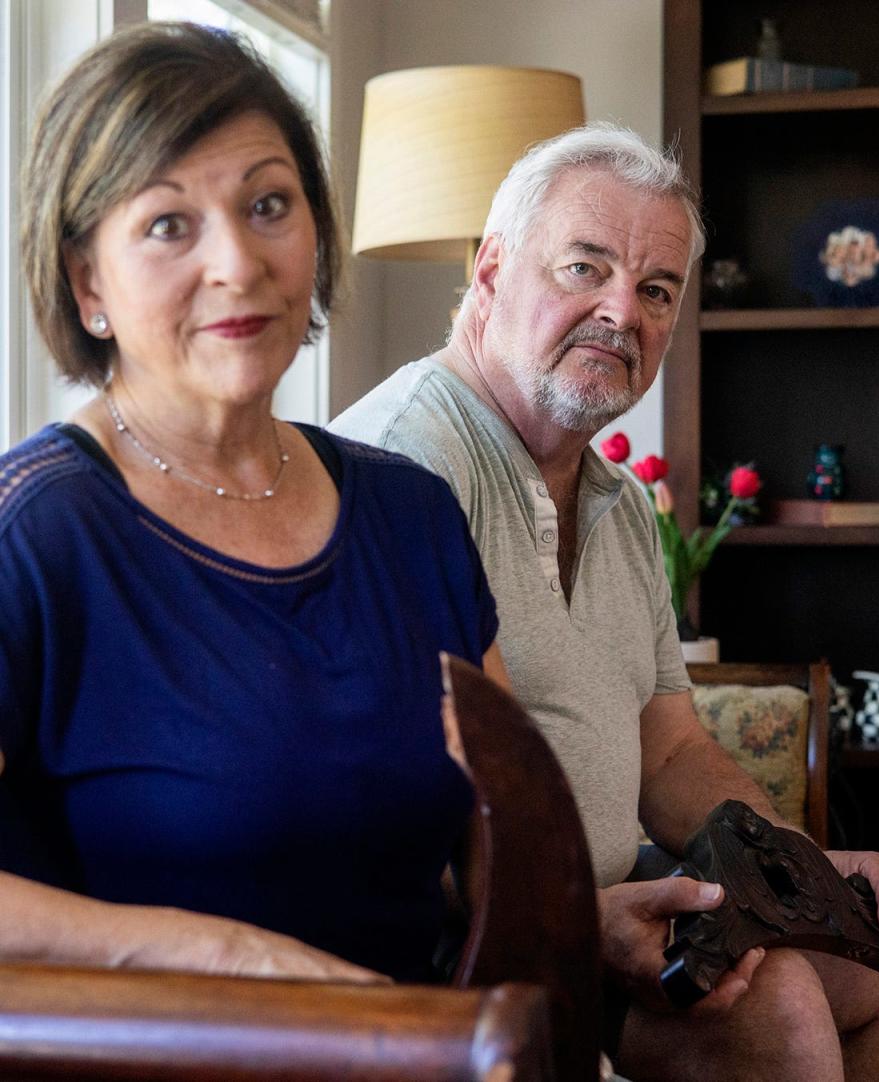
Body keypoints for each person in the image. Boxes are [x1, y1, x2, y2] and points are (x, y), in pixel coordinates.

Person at [330, 123, 879, 1079]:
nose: (622, 312)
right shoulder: (406, 469)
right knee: (776, 997)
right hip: (464, 946)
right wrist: (572, 918)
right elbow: (377, 801)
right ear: (492, 269)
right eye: (585, 268)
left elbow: (672, 750)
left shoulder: (617, 504)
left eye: (656, 290)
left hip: (619, 913)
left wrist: (814, 878)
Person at [0, 21, 509, 987]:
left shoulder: (416, 515)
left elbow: (495, 847)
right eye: (167, 224)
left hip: (420, 1050)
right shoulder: (32, 532)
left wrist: (593, 919)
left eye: (269, 204)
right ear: (85, 282)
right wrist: (227, 956)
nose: (237, 263)